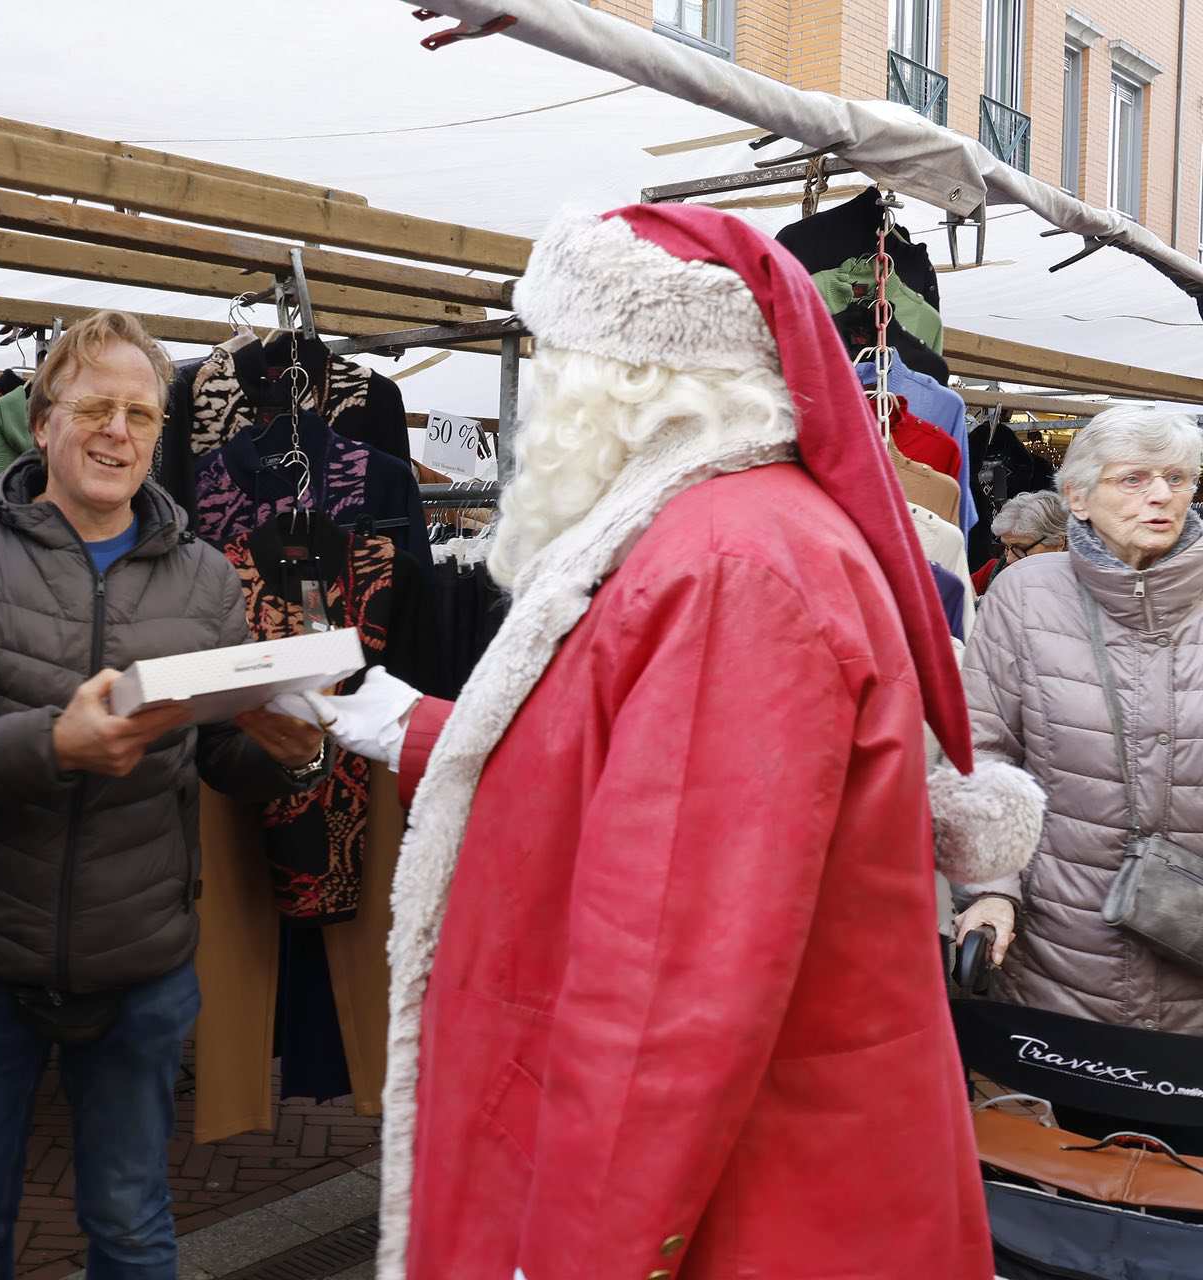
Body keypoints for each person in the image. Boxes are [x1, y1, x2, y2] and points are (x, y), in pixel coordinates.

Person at [311, 205, 1040, 1280]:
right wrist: (397, 723)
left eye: (555, 358)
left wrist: (575, 1253)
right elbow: (607, 775)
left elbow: (672, 978)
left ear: (624, 372)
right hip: (767, 1178)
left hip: (755, 1204)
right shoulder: (723, 537)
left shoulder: (730, 565)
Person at [0, 310, 327, 1279]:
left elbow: (221, 755)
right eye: (96, 406)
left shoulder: (203, 578)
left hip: (142, 962)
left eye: (141, 414)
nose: (118, 432)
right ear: (42, 419)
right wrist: (52, 743)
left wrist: (291, 750)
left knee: (135, 1225)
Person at [953, 407, 1203, 1037]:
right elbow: (985, 753)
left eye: (1177, 478)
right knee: (1073, 1128)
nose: (1160, 495)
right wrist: (989, 890)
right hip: (1059, 954)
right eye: (1134, 479)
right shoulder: (1026, 594)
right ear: (1077, 498)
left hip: (1194, 961)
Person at [971, 489, 1069, 594]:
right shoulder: (992, 571)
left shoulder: (1082, 586)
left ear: (1059, 543)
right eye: (1006, 547)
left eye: (1020, 548)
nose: (1009, 559)